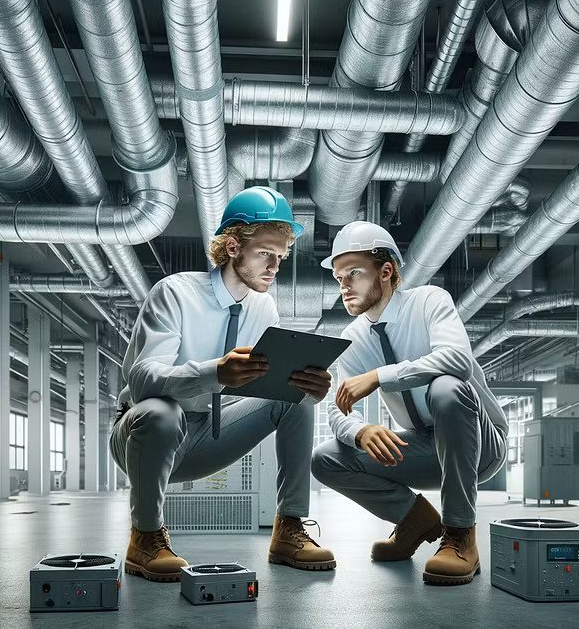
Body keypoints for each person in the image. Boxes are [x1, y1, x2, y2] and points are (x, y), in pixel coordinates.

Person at [112, 186, 336, 582]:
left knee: (297, 397)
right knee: (161, 411)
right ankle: (144, 538)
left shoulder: (263, 307)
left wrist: (307, 385)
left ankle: (289, 528)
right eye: (265, 253)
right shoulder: (175, 292)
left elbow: (268, 385)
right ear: (233, 247)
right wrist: (214, 372)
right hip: (142, 436)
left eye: (281, 256)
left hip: (211, 432)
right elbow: (143, 381)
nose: (275, 266)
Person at [310, 221, 509, 586]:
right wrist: (360, 431)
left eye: (353, 273)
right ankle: (413, 519)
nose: (344, 286)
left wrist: (380, 376)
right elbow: (338, 407)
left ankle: (460, 535)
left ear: (386, 271)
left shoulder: (429, 301)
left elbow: (457, 360)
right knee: (326, 458)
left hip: (481, 444)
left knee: (445, 388)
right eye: (339, 278)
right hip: (426, 446)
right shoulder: (353, 337)